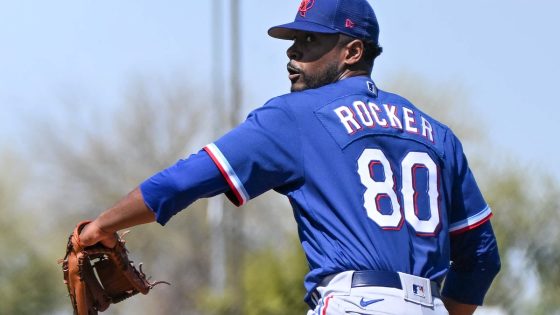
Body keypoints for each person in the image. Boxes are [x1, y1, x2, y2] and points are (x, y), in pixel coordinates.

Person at [78, 0, 501, 314]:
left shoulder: (296, 116)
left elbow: (184, 180)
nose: (292, 52)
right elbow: (480, 256)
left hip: (354, 302)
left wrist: (100, 226)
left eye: (310, 41)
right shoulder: (437, 135)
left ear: (353, 52)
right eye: (296, 40)